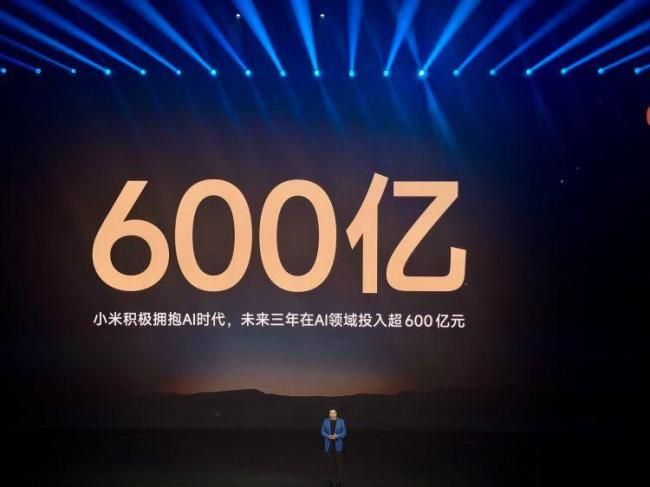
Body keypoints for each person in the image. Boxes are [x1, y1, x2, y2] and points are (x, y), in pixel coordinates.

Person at [320, 408, 347, 487]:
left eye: (333, 413)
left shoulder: (341, 421)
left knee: (338, 464)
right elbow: (322, 432)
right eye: (330, 413)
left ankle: (338, 481)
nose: (332, 414)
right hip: (328, 446)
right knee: (330, 465)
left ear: (336, 413)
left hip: (338, 446)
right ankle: (330, 481)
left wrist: (337, 436)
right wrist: (328, 436)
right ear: (329, 414)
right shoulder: (325, 421)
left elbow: (344, 432)